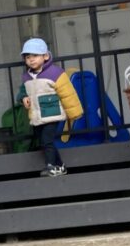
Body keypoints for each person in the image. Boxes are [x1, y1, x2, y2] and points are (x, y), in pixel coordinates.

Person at [17, 38, 83, 176]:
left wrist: (74, 113)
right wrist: (23, 98)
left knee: (47, 141)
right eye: (27, 57)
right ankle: (60, 166)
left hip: (52, 113)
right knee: (44, 142)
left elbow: (67, 94)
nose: (31, 59)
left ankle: (50, 166)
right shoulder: (26, 76)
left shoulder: (55, 73)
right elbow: (22, 91)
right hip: (36, 115)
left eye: (35, 55)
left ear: (45, 56)